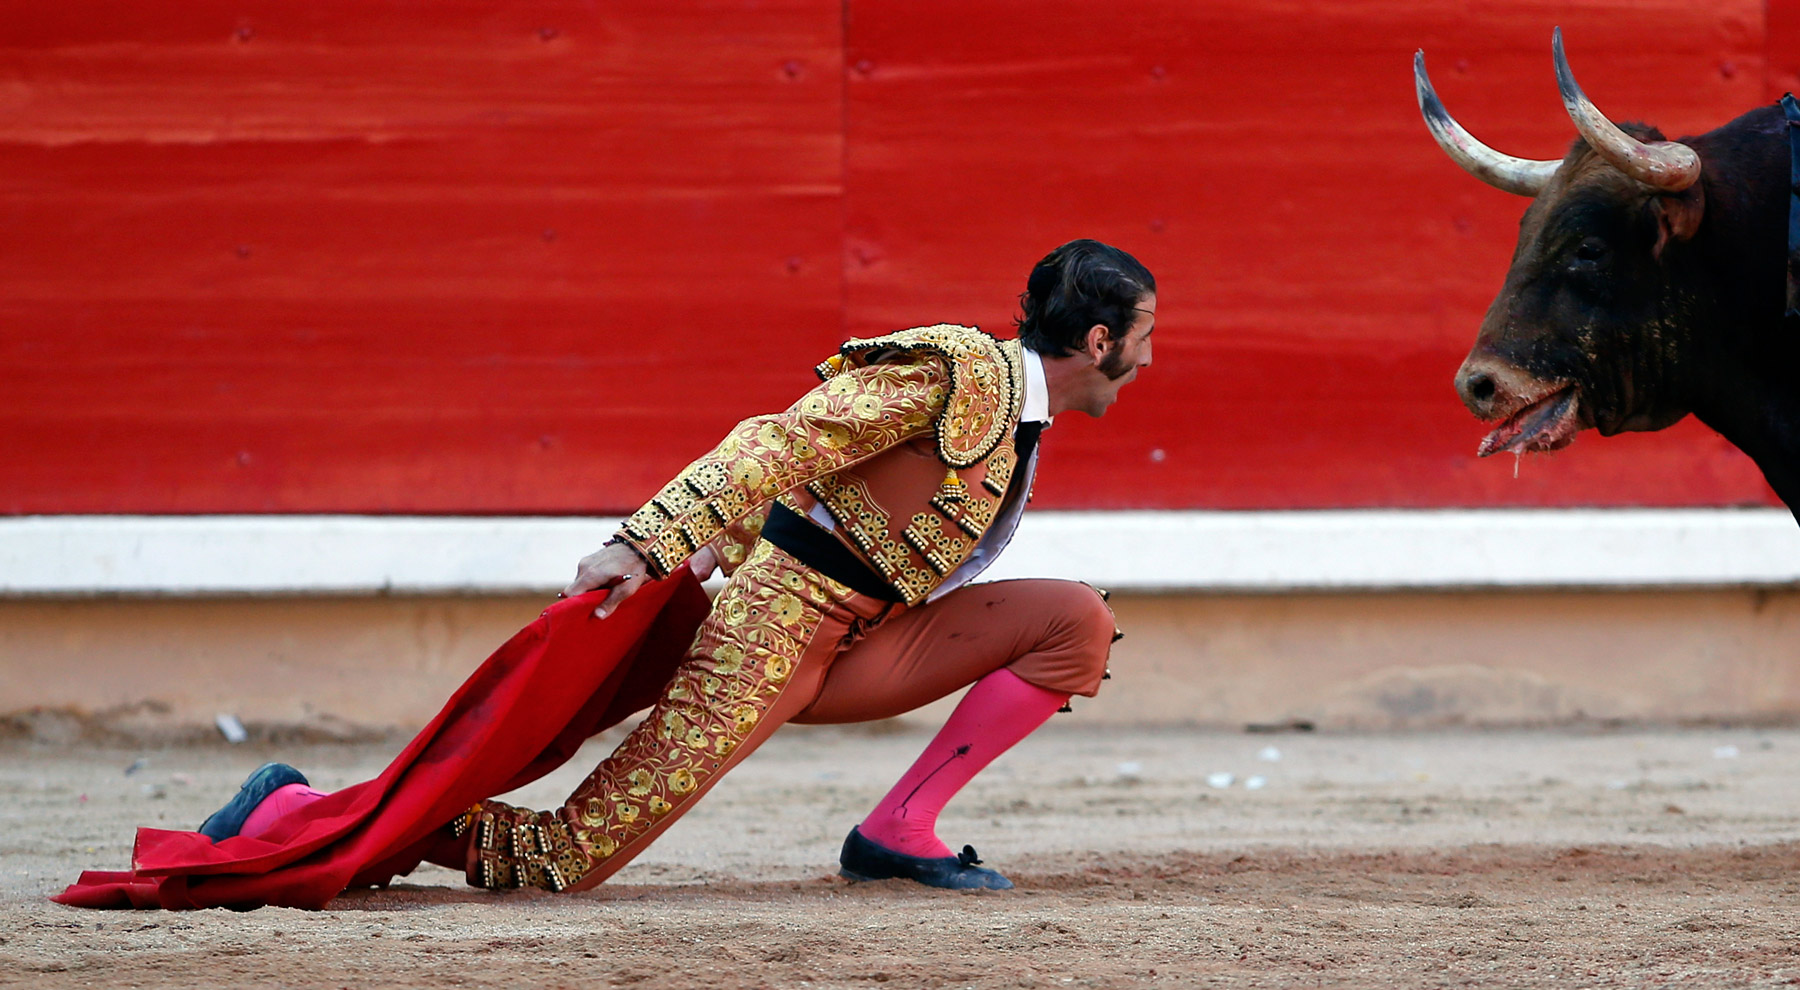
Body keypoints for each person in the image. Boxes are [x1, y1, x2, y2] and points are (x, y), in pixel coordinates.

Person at [205, 238, 1156, 893]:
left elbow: (845, 495)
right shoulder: (955, 375)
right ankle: (302, 808)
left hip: (872, 629)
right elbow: (779, 445)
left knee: (1074, 622)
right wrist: (646, 541)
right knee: (560, 860)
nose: (1152, 359)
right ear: (1102, 341)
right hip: (774, 631)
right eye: (1146, 336)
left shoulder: (1016, 412)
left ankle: (895, 834)